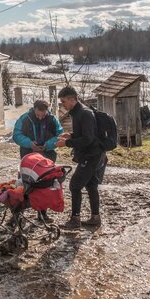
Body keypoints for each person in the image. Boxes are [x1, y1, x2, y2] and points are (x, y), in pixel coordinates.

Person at [55, 86, 106, 228]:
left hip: (91, 155)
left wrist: (67, 143)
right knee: (91, 185)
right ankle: (95, 218)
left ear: (72, 99)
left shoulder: (84, 113)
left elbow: (88, 139)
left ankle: (75, 219)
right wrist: (70, 135)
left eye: (64, 101)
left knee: (75, 185)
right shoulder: (78, 112)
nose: (62, 105)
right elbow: (85, 134)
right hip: (93, 154)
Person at [13, 99, 64, 223]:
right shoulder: (24, 118)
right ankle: (17, 214)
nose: (40, 117)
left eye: (43, 115)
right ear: (34, 109)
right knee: (24, 184)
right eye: (37, 115)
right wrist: (30, 144)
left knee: (45, 184)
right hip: (28, 156)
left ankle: (43, 214)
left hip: (47, 155)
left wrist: (48, 145)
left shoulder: (52, 119)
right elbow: (16, 135)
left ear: (46, 111)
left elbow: (59, 135)